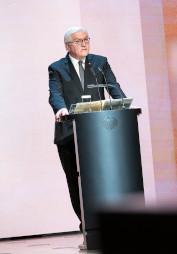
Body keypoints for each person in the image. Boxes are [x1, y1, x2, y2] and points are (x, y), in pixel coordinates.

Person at [48, 27, 127, 237]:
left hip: (99, 134)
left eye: (86, 39)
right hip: (69, 133)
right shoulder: (56, 68)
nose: (84, 44)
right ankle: (86, 223)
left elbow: (114, 87)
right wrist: (61, 108)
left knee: (101, 178)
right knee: (75, 181)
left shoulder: (100, 63)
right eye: (78, 41)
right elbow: (55, 94)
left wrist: (122, 103)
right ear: (68, 46)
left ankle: (105, 222)